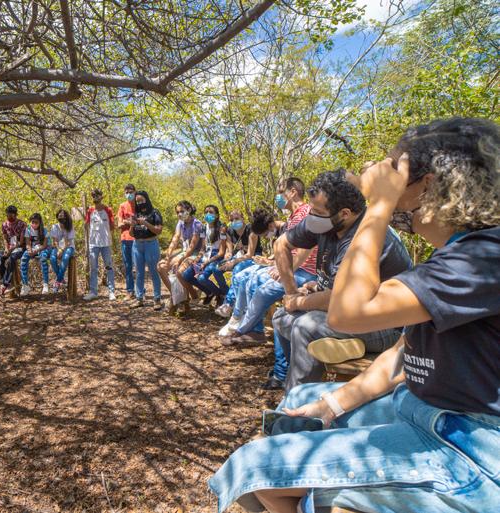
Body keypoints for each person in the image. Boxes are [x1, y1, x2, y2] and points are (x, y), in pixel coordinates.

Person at [209, 117, 500, 513]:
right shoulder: (456, 255)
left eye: (398, 178)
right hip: (418, 407)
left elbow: (347, 313)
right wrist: (330, 406)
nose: (391, 193)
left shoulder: (484, 257)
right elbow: (403, 353)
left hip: (468, 442)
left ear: (430, 186)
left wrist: (377, 208)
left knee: (254, 467)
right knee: (296, 404)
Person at [272, 169, 412, 393]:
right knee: (281, 318)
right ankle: (322, 371)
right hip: (342, 313)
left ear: (345, 213)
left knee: (305, 327)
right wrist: (292, 293)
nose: (311, 216)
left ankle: (295, 404)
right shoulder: (327, 221)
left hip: (382, 325)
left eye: (317, 211)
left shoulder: (367, 235)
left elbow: (342, 299)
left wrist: (298, 303)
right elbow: (281, 245)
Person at [218, 179, 318, 348]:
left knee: (261, 288)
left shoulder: (305, 213)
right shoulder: (293, 217)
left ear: (292, 192)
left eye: (280, 192)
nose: (278, 197)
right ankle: (250, 328)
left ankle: (245, 329)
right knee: (250, 279)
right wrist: (275, 264)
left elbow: (305, 250)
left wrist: (285, 270)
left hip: (304, 272)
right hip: (293, 268)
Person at [213, 209, 262, 318]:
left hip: (253, 257)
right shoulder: (230, 231)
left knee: (237, 269)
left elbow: (250, 254)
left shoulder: (251, 230)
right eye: (231, 220)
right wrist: (228, 254)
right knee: (217, 268)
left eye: (236, 218)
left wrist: (234, 262)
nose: (234, 221)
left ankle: (228, 304)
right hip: (238, 256)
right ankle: (225, 293)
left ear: (242, 218)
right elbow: (230, 248)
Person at [157, 200, 203, 313]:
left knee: (179, 268)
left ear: (189, 210)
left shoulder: (196, 224)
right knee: (161, 266)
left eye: (182, 211)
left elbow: (193, 246)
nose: (179, 214)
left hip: (196, 254)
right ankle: (178, 297)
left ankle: (186, 299)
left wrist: (181, 259)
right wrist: (168, 255)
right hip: (184, 251)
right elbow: (176, 238)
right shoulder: (180, 223)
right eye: (177, 212)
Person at [181, 204, 228, 305]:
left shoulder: (222, 228)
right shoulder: (203, 227)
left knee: (202, 278)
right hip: (206, 254)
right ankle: (211, 292)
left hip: (216, 256)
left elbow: (222, 252)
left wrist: (207, 262)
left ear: (217, 215)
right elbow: (203, 247)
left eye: (211, 212)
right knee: (186, 275)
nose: (208, 214)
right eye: (206, 212)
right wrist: (198, 258)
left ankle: (222, 295)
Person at [129, 190, 164, 309]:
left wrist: (145, 223)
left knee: (154, 271)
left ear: (146, 199)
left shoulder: (155, 213)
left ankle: (157, 299)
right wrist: (132, 225)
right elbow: (131, 233)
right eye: (137, 201)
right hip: (137, 245)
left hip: (151, 244)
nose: (139, 203)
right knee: (139, 273)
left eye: (141, 200)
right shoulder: (136, 214)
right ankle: (139, 298)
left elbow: (158, 230)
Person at [84, 189, 116, 301]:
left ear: (101, 196)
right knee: (93, 268)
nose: (95, 197)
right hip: (93, 244)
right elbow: (86, 226)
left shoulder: (108, 210)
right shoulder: (90, 211)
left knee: (109, 267)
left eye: (97, 195)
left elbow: (113, 226)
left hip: (106, 243)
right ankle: (93, 292)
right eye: (93, 195)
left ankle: (111, 292)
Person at [0, 205, 26, 298]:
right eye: (7, 214)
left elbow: (21, 242)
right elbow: (5, 239)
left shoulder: (22, 224)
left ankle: (5, 284)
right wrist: (6, 249)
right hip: (9, 248)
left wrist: (11, 250)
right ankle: (7, 282)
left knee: (12, 258)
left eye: (11, 215)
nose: (9, 216)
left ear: (15, 214)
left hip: (20, 248)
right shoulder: (4, 225)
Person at [20, 212, 52, 295]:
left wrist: (37, 250)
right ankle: (25, 284)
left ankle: (45, 284)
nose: (34, 224)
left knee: (43, 259)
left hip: (42, 249)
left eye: (36, 222)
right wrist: (29, 250)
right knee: (23, 259)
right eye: (32, 222)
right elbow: (27, 242)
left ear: (40, 223)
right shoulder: (28, 230)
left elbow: (45, 245)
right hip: (32, 249)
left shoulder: (44, 231)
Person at [117, 183, 137, 298]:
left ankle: (140, 291)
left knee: (138, 266)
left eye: (131, 192)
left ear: (135, 192)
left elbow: (141, 222)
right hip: (125, 239)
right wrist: (128, 222)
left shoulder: (139, 205)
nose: (129, 194)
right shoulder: (122, 206)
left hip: (137, 239)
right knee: (128, 266)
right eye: (127, 192)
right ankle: (130, 291)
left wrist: (127, 221)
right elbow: (119, 224)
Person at [49, 209, 75, 293]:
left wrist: (62, 250)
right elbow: (54, 241)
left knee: (66, 257)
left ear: (66, 217)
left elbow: (68, 242)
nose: (61, 217)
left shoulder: (70, 226)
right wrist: (58, 249)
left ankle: (57, 282)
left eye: (63, 216)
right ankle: (61, 278)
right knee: (52, 258)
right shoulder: (54, 227)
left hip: (68, 247)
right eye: (60, 216)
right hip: (56, 247)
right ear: (57, 217)